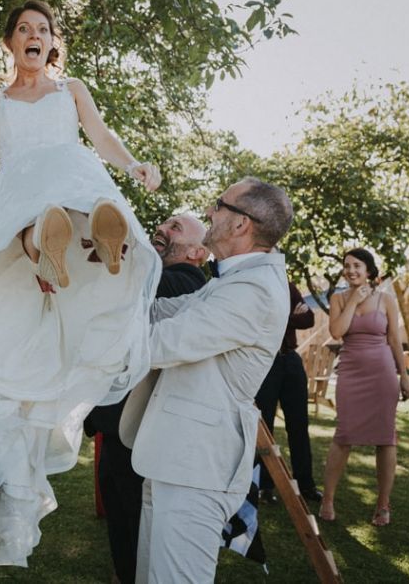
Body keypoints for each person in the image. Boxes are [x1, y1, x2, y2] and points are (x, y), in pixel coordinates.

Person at [0, 0, 163, 567]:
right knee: (32, 214)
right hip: (21, 188)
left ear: (53, 42)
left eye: (42, 29)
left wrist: (133, 165)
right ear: (9, 43)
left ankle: (104, 246)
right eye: (23, 29)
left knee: (77, 198)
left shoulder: (73, 91)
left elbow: (102, 135)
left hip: (73, 176)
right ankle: (47, 247)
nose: (33, 36)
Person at [120, 177, 294, 582]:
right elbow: (161, 312)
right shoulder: (231, 280)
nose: (210, 212)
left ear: (241, 225)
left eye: (219, 205)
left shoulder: (254, 290)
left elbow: (162, 342)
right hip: (172, 457)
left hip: (196, 468)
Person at [84, 213, 208, 584]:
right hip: (119, 423)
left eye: (176, 229)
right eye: (166, 222)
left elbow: (131, 295)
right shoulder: (154, 274)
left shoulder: (185, 282)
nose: (163, 229)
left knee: (138, 521)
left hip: (142, 429)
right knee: (120, 519)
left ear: (198, 252)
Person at [319, 248, 409, 526]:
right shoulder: (338, 298)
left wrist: (405, 377)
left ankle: (383, 504)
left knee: (386, 437)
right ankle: (328, 499)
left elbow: (395, 340)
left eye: (357, 265)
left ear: (369, 270)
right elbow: (337, 332)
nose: (351, 270)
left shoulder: (386, 299)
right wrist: (352, 302)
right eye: (347, 266)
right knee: (344, 434)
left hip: (382, 373)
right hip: (350, 373)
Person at [254, 280, 322, 504]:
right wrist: (290, 316)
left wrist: (277, 318)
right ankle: (264, 486)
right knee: (266, 426)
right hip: (265, 362)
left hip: (291, 360)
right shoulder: (254, 286)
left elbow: (308, 318)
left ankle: (306, 484)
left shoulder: (286, 285)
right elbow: (257, 323)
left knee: (299, 424)